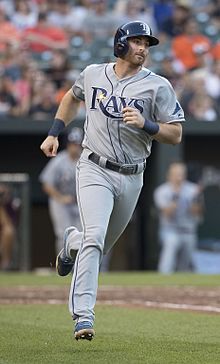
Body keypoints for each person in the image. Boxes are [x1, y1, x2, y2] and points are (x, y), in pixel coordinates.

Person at [40, 21, 184, 341]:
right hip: (94, 167)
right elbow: (70, 97)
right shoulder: (93, 73)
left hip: (132, 175)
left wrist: (148, 124)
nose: (143, 48)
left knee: (97, 243)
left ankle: (71, 243)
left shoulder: (157, 85)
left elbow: (176, 134)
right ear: (120, 43)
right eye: (136, 41)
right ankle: (83, 316)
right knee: (95, 237)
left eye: (146, 43)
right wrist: (54, 133)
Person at [39, 127, 83, 255]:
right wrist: (61, 197)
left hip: (79, 202)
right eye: (72, 144)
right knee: (63, 234)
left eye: (77, 144)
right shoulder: (59, 160)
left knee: (83, 235)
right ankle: (64, 266)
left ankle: (79, 267)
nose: (75, 147)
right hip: (61, 201)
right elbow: (46, 184)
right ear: (67, 144)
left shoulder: (86, 160)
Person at [154, 162, 204, 274]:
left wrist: (197, 198)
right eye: (176, 174)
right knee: (168, 256)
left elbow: (196, 212)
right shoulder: (162, 191)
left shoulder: (193, 189)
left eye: (181, 174)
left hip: (188, 231)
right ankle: (162, 282)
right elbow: (167, 213)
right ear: (169, 175)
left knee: (186, 266)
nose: (179, 177)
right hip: (170, 230)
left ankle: (183, 290)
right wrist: (176, 195)